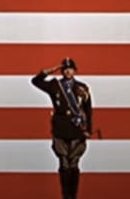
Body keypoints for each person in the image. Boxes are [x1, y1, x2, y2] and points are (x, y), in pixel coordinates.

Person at [31, 57, 93, 199]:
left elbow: (88, 110)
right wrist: (50, 70)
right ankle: (65, 196)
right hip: (61, 129)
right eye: (64, 69)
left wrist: (88, 129)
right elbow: (36, 81)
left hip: (77, 130)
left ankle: (74, 195)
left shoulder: (82, 88)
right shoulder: (55, 85)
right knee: (64, 165)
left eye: (70, 68)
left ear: (75, 70)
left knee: (74, 164)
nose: (67, 71)